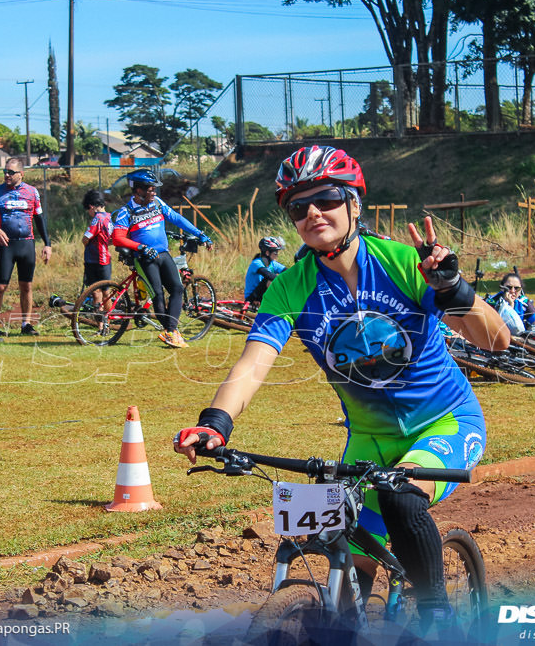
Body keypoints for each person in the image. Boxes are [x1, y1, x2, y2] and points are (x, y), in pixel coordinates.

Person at [174, 145, 508, 635]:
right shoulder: (290, 287)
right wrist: (215, 424)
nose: (312, 213)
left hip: (445, 423)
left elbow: (496, 341)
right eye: (297, 206)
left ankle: (441, 619)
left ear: (354, 204)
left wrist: (453, 289)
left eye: (326, 198)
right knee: (333, 548)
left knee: (402, 496)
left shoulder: (403, 263)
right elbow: (252, 364)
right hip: (368, 437)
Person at [111, 169, 212, 349]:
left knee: (178, 288)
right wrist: (140, 247)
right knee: (157, 294)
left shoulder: (157, 203)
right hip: (144, 258)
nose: (154, 192)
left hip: (163, 254)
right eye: (150, 189)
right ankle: (171, 332)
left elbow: (176, 218)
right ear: (138, 190)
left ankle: (171, 331)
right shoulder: (126, 212)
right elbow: (117, 237)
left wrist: (200, 234)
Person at [0, 158, 52, 336]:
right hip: (7, 245)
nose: (6, 175)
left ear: (21, 174)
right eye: (5, 171)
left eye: (11, 172)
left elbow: (39, 219)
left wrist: (47, 244)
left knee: (26, 286)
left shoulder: (32, 192)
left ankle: (26, 324)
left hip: (27, 244)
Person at [81, 189, 113, 306]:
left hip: (93, 260)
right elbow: (111, 240)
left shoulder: (97, 218)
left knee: (96, 292)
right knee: (106, 292)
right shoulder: (110, 218)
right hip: (106, 260)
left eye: (88, 209)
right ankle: (107, 321)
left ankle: (99, 321)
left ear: (91, 206)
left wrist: (88, 244)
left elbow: (85, 238)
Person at [244, 236, 287, 306]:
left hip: (262, 294)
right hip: (252, 298)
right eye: (275, 252)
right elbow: (268, 275)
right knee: (270, 280)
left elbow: (287, 271)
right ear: (267, 253)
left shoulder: (273, 263)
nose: (277, 255)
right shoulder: (256, 263)